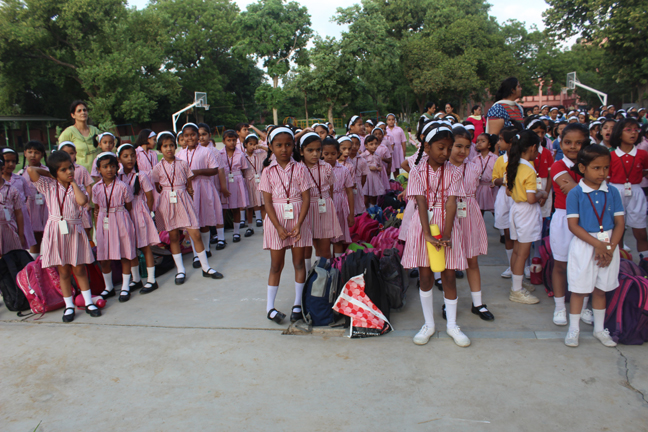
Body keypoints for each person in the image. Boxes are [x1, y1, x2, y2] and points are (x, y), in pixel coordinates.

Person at [401, 124, 470, 347]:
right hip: (424, 225)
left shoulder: (454, 171)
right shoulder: (417, 170)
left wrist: (447, 233)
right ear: (427, 147)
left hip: (446, 223)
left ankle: (452, 325)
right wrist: (427, 233)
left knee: (449, 276)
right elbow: (420, 202)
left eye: (449, 148)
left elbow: (451, 203)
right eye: (441, 148)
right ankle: (428, 325)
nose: (445, 153)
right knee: (426, 276)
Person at [26, 151, 100, 322]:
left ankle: (88, 302)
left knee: (79, 268)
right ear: (55, 172)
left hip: (74, 230)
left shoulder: (78, 187)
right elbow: (31, 170)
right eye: (63, 170)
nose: (69, 172)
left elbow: (82, 201)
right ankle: (69, 306)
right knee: (64, 271)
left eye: (71, 168)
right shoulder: (49, 186)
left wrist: (72, 182)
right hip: (56, 231)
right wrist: (51, 174)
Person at [564, 145, 624, 347]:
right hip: (585, 244)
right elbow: (573, 225)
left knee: (601, 289)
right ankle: (574, 329)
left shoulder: (613, 192)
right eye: (596, 168)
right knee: (579, 289)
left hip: (609, 244)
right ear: (582, 168)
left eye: (606, 168)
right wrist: (598, 245)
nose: (602, 173)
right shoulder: (576, 193)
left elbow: (620, 223)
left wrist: (610, 248)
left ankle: (599, 329)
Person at [152, 131, 223, 285]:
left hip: (184, 200)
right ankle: (180, 270)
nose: (169, 149)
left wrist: (186, 196)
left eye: (171, 145)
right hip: (168, 202)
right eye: (165, 146)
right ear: (160, 149)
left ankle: (206, 267)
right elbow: (157, 186)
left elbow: (189, 185)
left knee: (195, 234)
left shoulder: (183, 164)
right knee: (174, 237)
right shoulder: (157, 168)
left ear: (176, 146)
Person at [259, 126, 314, 324]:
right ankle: (270, 307)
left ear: (294, 146)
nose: (284, 149)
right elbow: (267, 203)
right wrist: (278, 227)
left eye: (288, 144)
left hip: (298, 218)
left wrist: (299, 223)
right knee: (276, 265)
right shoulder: (267, 171)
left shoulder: (300, 168)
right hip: (277, 221)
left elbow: (306, 198)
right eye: (279, 145)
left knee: (299, 262)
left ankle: (298, 304)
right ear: (271, 146)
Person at [448, 126, 494, 320]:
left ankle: (478, 304)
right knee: (449, 264)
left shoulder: (474, 167)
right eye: (458, 146)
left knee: (472, 260)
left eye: (467, 147)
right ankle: (449, 303)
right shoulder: (441, 168)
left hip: (469, 214)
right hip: (448, 217)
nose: (463, 151)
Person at [549, 123, 587, 326]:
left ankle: (583, 306)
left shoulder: (590, 164)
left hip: (588, 219)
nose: (573, 147)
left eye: (578, 143)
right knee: (561, 265)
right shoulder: (558, 165)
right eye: (568, 142)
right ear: (561, 143)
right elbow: (572, 190)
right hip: (564, 218)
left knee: (585, 265)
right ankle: (560, 306)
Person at [506, 130, 546, 305]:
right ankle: (516, 290)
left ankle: (517, 282)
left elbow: (508, 192)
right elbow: (531, 198)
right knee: (523, 253)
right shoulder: (529, 169)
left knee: (517, 250)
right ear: (533, 147)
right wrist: (542, 193)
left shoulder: (514, 165)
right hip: (526, 212)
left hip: (516, 209)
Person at [92, 152, 136, 302]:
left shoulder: (123, 186)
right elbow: (96, 207)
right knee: (104, 257)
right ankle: (109, 287)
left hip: (120, 218)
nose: (109, 169)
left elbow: (129, 205)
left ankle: (125, 287)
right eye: (105, 167)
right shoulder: (96, 188)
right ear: (99, 169)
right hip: (104, 221)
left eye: (112, 166)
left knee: (124, 254)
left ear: (117, 168)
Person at [117, 144, 161, 294]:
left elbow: (150, 197)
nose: (130, 159)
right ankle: (136, 279)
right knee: (130, 247)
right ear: (119, 159)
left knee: (145, 246)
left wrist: (145, 213)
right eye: (125, 156)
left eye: (132, 155)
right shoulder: (118, 176)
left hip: (139, 212)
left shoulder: (141, 175)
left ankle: (151, 280)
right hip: (124, 213)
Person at [178, 123, 224, 260]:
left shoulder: (206, 151)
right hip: (188, 190)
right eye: (186, 135)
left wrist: (197, 172)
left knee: (204, 220)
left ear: (197, 136)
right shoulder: (180, 154)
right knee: (193, 223)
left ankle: (206, 249)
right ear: (183, 137)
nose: (190, 138)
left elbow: (214, 169)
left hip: (203, 187)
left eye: (193, 135)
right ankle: (196, 254)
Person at [300, 133, 341, 272]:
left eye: (318, 150)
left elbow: (330, 189)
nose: (315, 154)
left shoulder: (326, 167)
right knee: (306, 247)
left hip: (324, 207)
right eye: (310, 150)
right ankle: (307, 276)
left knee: (324, 247)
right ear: (301, 151)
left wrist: (329, 206)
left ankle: (324, 276)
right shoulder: (298, 168)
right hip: (305, 208)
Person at [608, 118, 648, 257]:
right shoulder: (611, 155)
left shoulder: (642, 154)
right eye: (629, 130)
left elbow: (645, 172)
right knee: (617, 229)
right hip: (615, 191)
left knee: (641, 231)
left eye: (636, 130)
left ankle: (644, 261)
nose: (633, 133)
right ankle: (621, 261)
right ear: (619, 133)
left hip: (635, 191)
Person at [218, 129, 251, 243]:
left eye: (233, 140)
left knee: (236, 208)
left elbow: (243, 169)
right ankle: (220, 235)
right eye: (229, 140)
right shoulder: (219, 154)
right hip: (224, 181)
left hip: (236, 181)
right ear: (223, 141)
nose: (231, 143)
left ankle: (236, 232)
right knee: (223, 209)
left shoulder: (240, 154)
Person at [324, 138, 354, 257]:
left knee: (338, 238)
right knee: (324, 239)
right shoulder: (318, 169)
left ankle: (337, 263)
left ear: (338, 153)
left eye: (333, 153)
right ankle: (325, 264)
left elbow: (350, 192)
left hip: (340, 205)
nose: (330, 157)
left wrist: (351, 213)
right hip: (323, 206)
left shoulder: (344, 170)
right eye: (326, 154)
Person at [492, 128, 516, 278]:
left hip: (518, 195)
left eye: (501, 139)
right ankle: (511, 266)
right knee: (507, 232)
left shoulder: (523, 160)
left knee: (519, 234)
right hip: (504, 195)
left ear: (511, 142)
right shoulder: (500, 160)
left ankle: (523, 265)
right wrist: (506, 179)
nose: (499, 143)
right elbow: (495, 180)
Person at [1, 148, 36, 250]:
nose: (11, 164)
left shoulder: (20, 179)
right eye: (7, 161)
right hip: (4, 220)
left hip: (20, 216)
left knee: (18, 247)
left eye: (14, 161)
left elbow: (25, 197)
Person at [19, 140, 49, 259]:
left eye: (36, 152)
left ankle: (48, 262)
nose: (33, 155)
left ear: (42, 155)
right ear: (25, 153)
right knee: (34, 239)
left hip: (46, 208)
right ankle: (34, 264)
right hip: (30, 210)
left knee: (48, 237)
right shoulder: (21, 174)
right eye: (30, 152)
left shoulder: (48, 171)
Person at [57, 142, 94, 237]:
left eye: (71, 153)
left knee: (86, 230)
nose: (69, 156)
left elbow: (88, 186)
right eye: (65, 153)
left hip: (82, 203)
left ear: (75, 153)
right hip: (67, 205)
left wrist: (87, 202)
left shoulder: (81, 169)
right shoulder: (58, 171)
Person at [58, 100, 101, 173]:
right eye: (79, 111)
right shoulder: (68, 133)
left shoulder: (95, 131)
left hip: (97, 172)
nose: (83, 112)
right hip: (78, 172)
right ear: (73, 115)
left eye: (85, 110)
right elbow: (61, 155)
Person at [0, 154, 25, 255]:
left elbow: (19, 213)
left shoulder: (12, 190)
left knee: (11, 257)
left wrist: (21, 235)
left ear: (2, 169)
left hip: (9, 229)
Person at [242, 134, 266, 232]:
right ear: (246, 144)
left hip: (259, 180)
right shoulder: (242, 156)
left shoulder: (259, 154)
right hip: (248, 182)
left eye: (255, 144)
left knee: (262, 204)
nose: (252, 147)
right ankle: (250, 227)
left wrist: (260, 146)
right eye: (250, 144)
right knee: (250, 206)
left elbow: (271, 151)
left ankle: (265, 226)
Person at [473, 133, 498, 214]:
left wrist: (496, 181)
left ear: (489, 145)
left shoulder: (495, 158)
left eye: (483, 141)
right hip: (480, 186)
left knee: (495, 209)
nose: (479, 143)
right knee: (479, 210)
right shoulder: (475, 159)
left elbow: (498, 171)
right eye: (477, 141)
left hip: (492, 187)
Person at [361, 136, 387, 206]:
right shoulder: (363, 155)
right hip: (366, 178)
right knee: (365, 195)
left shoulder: (377, 156)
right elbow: (360, 166)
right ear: (366, 145)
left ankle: (373, 209)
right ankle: (365, 210)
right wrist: (369, 167)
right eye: (371, 144)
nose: (374, 146)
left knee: (374, 194)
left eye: (376, 144)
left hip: (375, 177)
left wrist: (379, 168)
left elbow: (380, 165)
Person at [348, 134, 368, 215]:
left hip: (358, 185)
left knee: (358, 203)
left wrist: (359, 186)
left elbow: (364, 177)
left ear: (360, 145)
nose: (354, 146)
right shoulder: (344, 160)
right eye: (351, 144)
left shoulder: (362, 161)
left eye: (357, 144)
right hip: (346, 186)